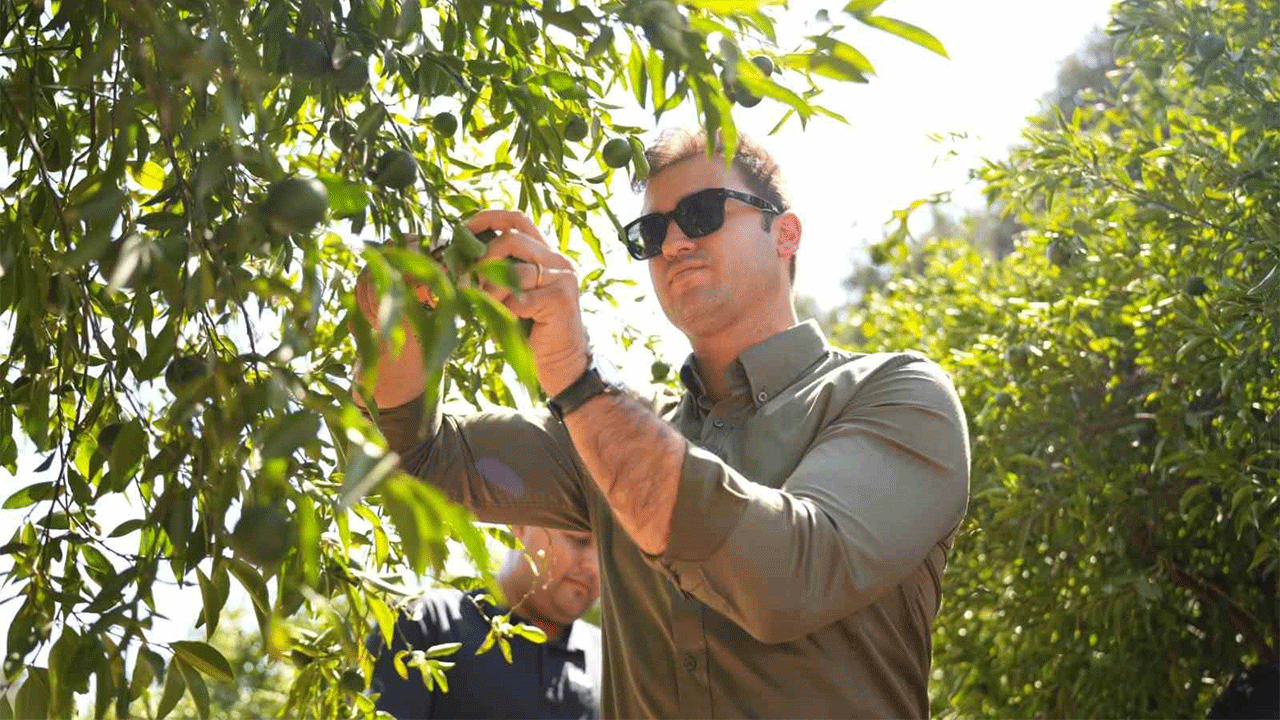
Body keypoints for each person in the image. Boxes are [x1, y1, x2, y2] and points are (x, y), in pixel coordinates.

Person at [352, 127, 971, 718]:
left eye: (702, 213)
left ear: (786, 233)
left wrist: (577, 379)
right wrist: (396, 317)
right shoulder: (605, 435)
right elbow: (412, 459)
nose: (673, 244)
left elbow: (788, 581)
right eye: (651, 231)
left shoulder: (898, 396)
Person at [368, 525, 602, 719]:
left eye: (609, 551)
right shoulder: (424, 622)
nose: (594, 565)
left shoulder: (611, 661)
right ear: (520, 525)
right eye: (578, 539)